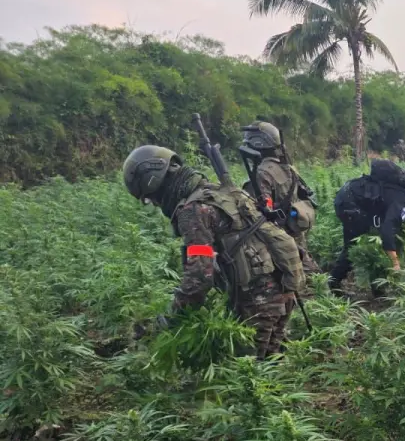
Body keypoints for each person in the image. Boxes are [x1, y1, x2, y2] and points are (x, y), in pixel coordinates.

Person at [121, 145, 304, 358]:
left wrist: (171, 318)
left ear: (156, 184)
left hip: (258, 300)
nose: (154, 203)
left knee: (247, 375)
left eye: (151, 198)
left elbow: (199, 277)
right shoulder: (219, 192)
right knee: (271, 365)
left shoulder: (193, 211)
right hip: (281, 288)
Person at [329, 159, 405, 295]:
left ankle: (376, 288)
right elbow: (388, 229)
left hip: (351, 195)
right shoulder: (401, 203)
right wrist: (395, 261)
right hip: (348, 203)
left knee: (373, 241)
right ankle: (334, 283)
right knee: (358, 244)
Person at [240, 121, 320, 274]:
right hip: (294, 224)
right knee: (304, 261)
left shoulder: (262, 173)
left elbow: (262, 207)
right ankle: (322, 292)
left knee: (291, 270)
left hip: (279, 230)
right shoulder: (287, 167)